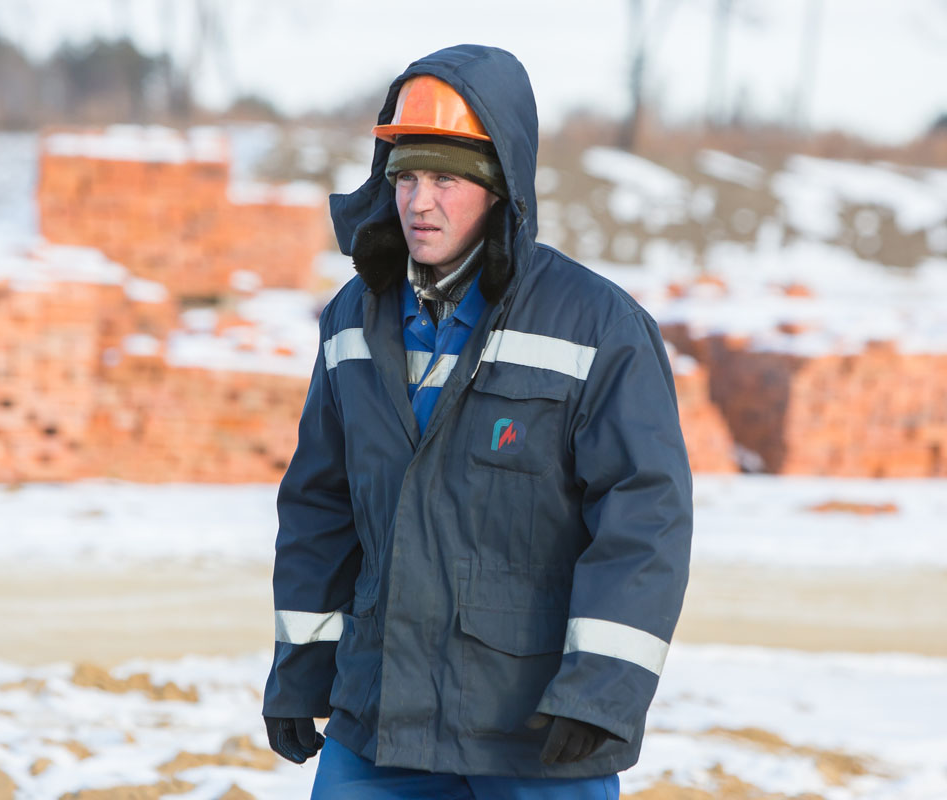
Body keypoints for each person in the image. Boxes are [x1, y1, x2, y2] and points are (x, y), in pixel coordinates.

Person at [262, 44, 692, 799]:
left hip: (535, 735)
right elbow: (320, 510)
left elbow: (644, 518)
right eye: (406, 176)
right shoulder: (350, 322)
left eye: (447, 178)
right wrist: (302, 669)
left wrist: (602, 693)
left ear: (499, 187)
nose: (419, 202)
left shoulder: (596, 326)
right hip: (379, 724)